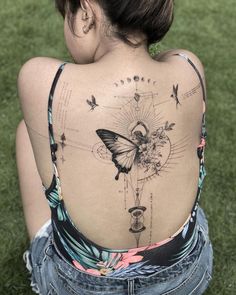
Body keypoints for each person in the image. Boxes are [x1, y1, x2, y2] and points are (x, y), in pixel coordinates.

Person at [16, 0, 213, 294]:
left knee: (27, 130)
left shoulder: (42, 79)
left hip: (79, 287)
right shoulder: (188, 66)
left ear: (84, 13)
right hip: (185, 278)